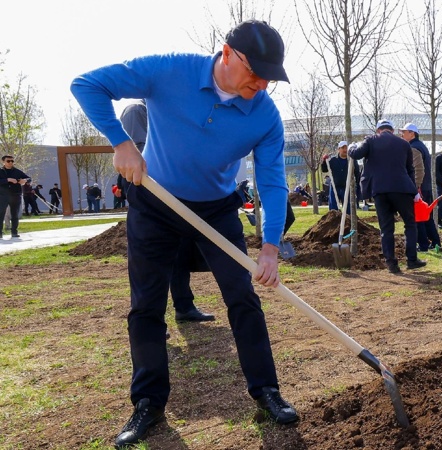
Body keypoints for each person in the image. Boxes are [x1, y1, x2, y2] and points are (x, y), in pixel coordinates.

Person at [71, 19, 298, 447]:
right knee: (146, 306)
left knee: (243, 297)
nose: (262, 84)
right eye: (255, 72)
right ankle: (148, 404)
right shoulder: (170, 71)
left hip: (216, 211)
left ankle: (266, 390)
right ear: (228, 54)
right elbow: (87, 83)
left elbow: (272, 180)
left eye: (270, 77)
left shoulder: (265, 115)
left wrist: (269, 247)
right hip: (155, 203)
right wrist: (121, 143)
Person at [120, 95, 215, 324]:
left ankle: (184, 306)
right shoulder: (136, 111)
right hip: (147, 187)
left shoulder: (163, 115)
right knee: (153, 257)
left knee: (181, 250)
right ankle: (152, 321)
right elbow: (140, 154)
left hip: (169, 186)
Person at [349, 119, 426, 274]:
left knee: (386, 228)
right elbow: (410, 170)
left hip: (380, 190)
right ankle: (412, 260)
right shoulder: (404, 144)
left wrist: (351, 147)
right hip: (402, 189)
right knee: (410, 224)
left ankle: (391, 264)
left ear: (378, 130)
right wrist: (415, 191)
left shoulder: (370, 141)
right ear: (392, 130)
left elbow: (356, 154)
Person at [399, 123, 441, 252]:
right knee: (426, 216)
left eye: (404, 132)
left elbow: (418, 170)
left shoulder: (413, 148)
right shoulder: (420, 146)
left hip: (419, 188)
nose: (402, 134)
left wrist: (415, 188)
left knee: (419, 217)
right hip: (425, 186)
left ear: (412, 134)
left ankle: (423, 245)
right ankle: (435, 242)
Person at [321, 140, 359, 213]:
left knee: (348, 209)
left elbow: (357, 172)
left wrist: (357, 185)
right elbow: (324, 169)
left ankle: (347, 222)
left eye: (346, 148)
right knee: (333, 209)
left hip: (347, 187)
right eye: (343, 148)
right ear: (339, 149)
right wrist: (324, 161)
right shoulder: (333, 160)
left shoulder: (351, 160)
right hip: (335, 187)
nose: (345, 150)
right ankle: (335, 223)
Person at [0, 155, 28, 238]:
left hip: (15, 195)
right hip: (2, 196)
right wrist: (7, 180)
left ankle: (14, 232)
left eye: (12, 161)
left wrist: (25, 180)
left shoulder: (17, 171)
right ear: (3, 162)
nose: (10, 163)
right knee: (1, 214)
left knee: (15, 214)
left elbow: (28, 178)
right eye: (8, 161)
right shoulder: (0, 171)